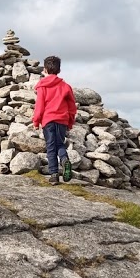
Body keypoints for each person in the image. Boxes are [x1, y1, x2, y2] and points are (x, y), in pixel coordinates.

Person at [32, 55, 78, 184]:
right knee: (60, 144)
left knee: (51, 147)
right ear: (59, 70)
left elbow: (40, 105)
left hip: (48, 121)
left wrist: (36, 121)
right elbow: (72, 107)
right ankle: (64, 160)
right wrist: (70, 122)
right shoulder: (66, 86)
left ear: (45, 69)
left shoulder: (42, 86)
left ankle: (54, 175)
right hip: (62, 120)